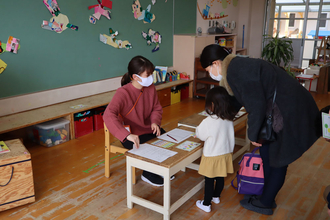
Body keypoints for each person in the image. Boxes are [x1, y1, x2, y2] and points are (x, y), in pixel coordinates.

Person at [199, 44, 321, 215]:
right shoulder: (235, 67)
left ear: (215, 63)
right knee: (268, 154)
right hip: (281, 108)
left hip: (288, 110)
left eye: (208, 69)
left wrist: (253, 134)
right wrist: (222, 115)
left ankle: (265, 202)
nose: (210, 73)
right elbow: (240, 97)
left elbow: (256, 104)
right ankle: (266, 196)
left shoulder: (236, 70)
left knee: (278, 157)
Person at [103, 55, 167, 187]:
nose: (151, 77)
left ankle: (160, 168)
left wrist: (155, 121)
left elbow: (156, 108)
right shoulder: (123, 93)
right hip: (131, 134)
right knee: (146, 147)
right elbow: (108, 115)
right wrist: (125, 135)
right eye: (148, 74)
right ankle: (147, 173)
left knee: (165, 138)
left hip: (147, 128)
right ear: (135, 77)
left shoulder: (150, 87)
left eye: (151, 74)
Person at [195, 86, 237, 213]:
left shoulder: (209, 121)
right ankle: (216, 196)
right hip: (225, 154)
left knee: (209, 180)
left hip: (212, 155)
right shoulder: (229, 119)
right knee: (220, 177)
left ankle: (206, 204)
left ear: (212, 105)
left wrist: (196, 130)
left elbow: (201, 135)